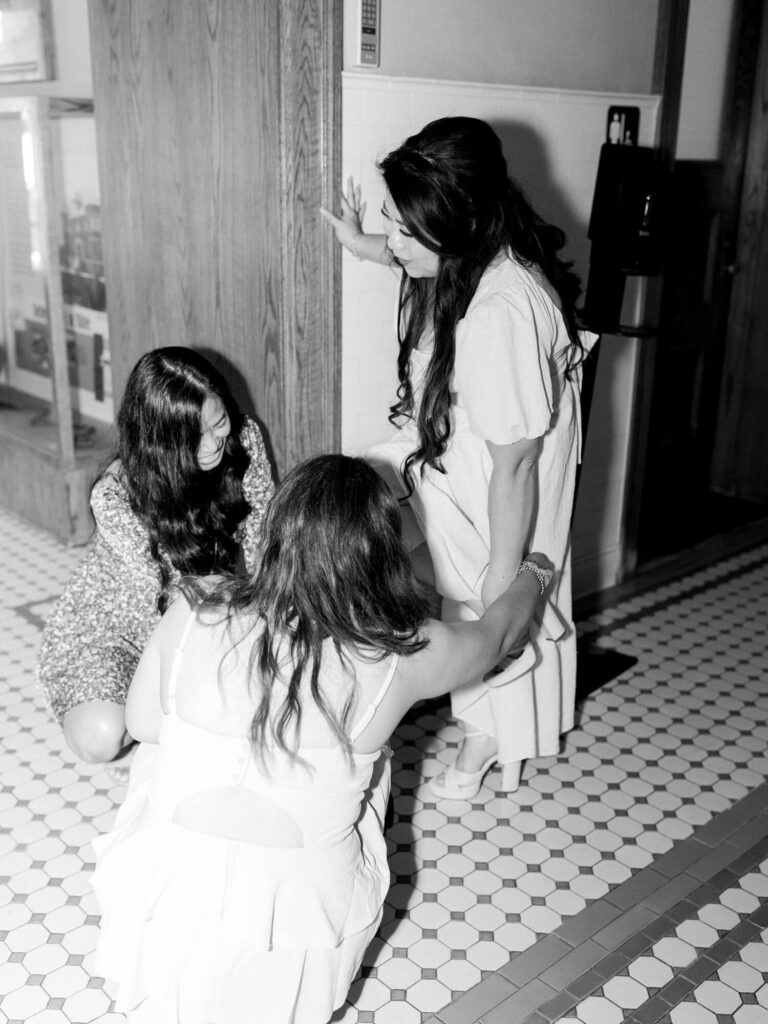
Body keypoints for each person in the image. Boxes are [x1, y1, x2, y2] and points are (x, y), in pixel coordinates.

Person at [90, 453, 552, 1024]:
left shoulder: (196, 605)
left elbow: (141, 727)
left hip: (167, 904)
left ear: (278, 533)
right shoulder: (403, 653)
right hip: (303, 927)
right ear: (379, 551)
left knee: (167, 744)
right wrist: (536, 571)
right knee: (373, 761)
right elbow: (497, 634)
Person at [321, 116, 598, 799]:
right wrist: (364, 245)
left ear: (457, 226)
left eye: (407, 231)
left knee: (484, 598)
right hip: (465, 445)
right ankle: (407, 682)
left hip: (499, 469)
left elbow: (518, 464)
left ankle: (486, 732)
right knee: (370, 512)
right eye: (393, 220)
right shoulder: (476, 251)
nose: (396, 241)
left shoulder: (502, 310)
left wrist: (507, 584)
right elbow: (418, 254)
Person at [37, 346, 274, 770]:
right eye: (195, 434)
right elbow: (162, 610)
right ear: (161, 443)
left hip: (202, 610)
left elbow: (261, 544)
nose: (216, 440)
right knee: (102, 739)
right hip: (119, 627)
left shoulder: (243, 438)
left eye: (218, 421)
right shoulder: (114, 497)